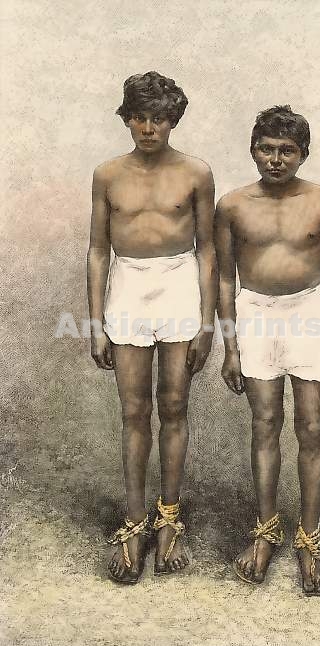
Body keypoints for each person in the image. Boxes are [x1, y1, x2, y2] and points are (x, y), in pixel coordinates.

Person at [215, 105, 320, 596]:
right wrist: (230, 347)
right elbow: (224, 278)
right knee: (265, 424)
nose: (276, 159)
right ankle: (266, 530)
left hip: (310, 312)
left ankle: (309, 540)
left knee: (312, 428)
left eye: (287, 151)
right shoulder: (232, 205)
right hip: (254, 314)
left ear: (303, 154)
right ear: (253, 150)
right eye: (266, 149)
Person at [87, 71, 217, 583]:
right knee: (134, 410)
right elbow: (98, 250)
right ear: (126, 118)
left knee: (175, 405)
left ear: (173, 120)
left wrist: (207, 323)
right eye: (139, 117)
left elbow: (208, 249)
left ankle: (169, 519)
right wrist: (96, 323)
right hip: (127, 286)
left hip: (179, 283)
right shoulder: (107, 174)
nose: (148, 128)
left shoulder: (196, 172)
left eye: (158, 118)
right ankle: (134, 521)